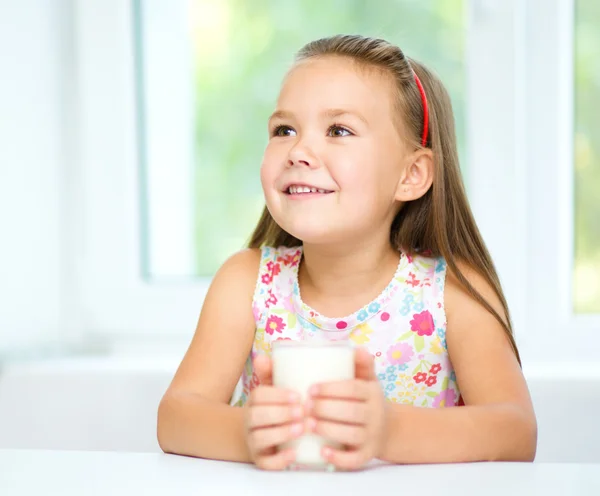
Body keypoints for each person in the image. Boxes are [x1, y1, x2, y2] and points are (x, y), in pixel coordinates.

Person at [157, 34, 537, 470]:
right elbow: (175, 417)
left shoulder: (452, 291)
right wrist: (246, 434)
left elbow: (516, 430)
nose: (299, 151)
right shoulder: (245, 282)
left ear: (411, 175)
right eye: (285, 129)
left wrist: (389, 432)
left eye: (339, 130)